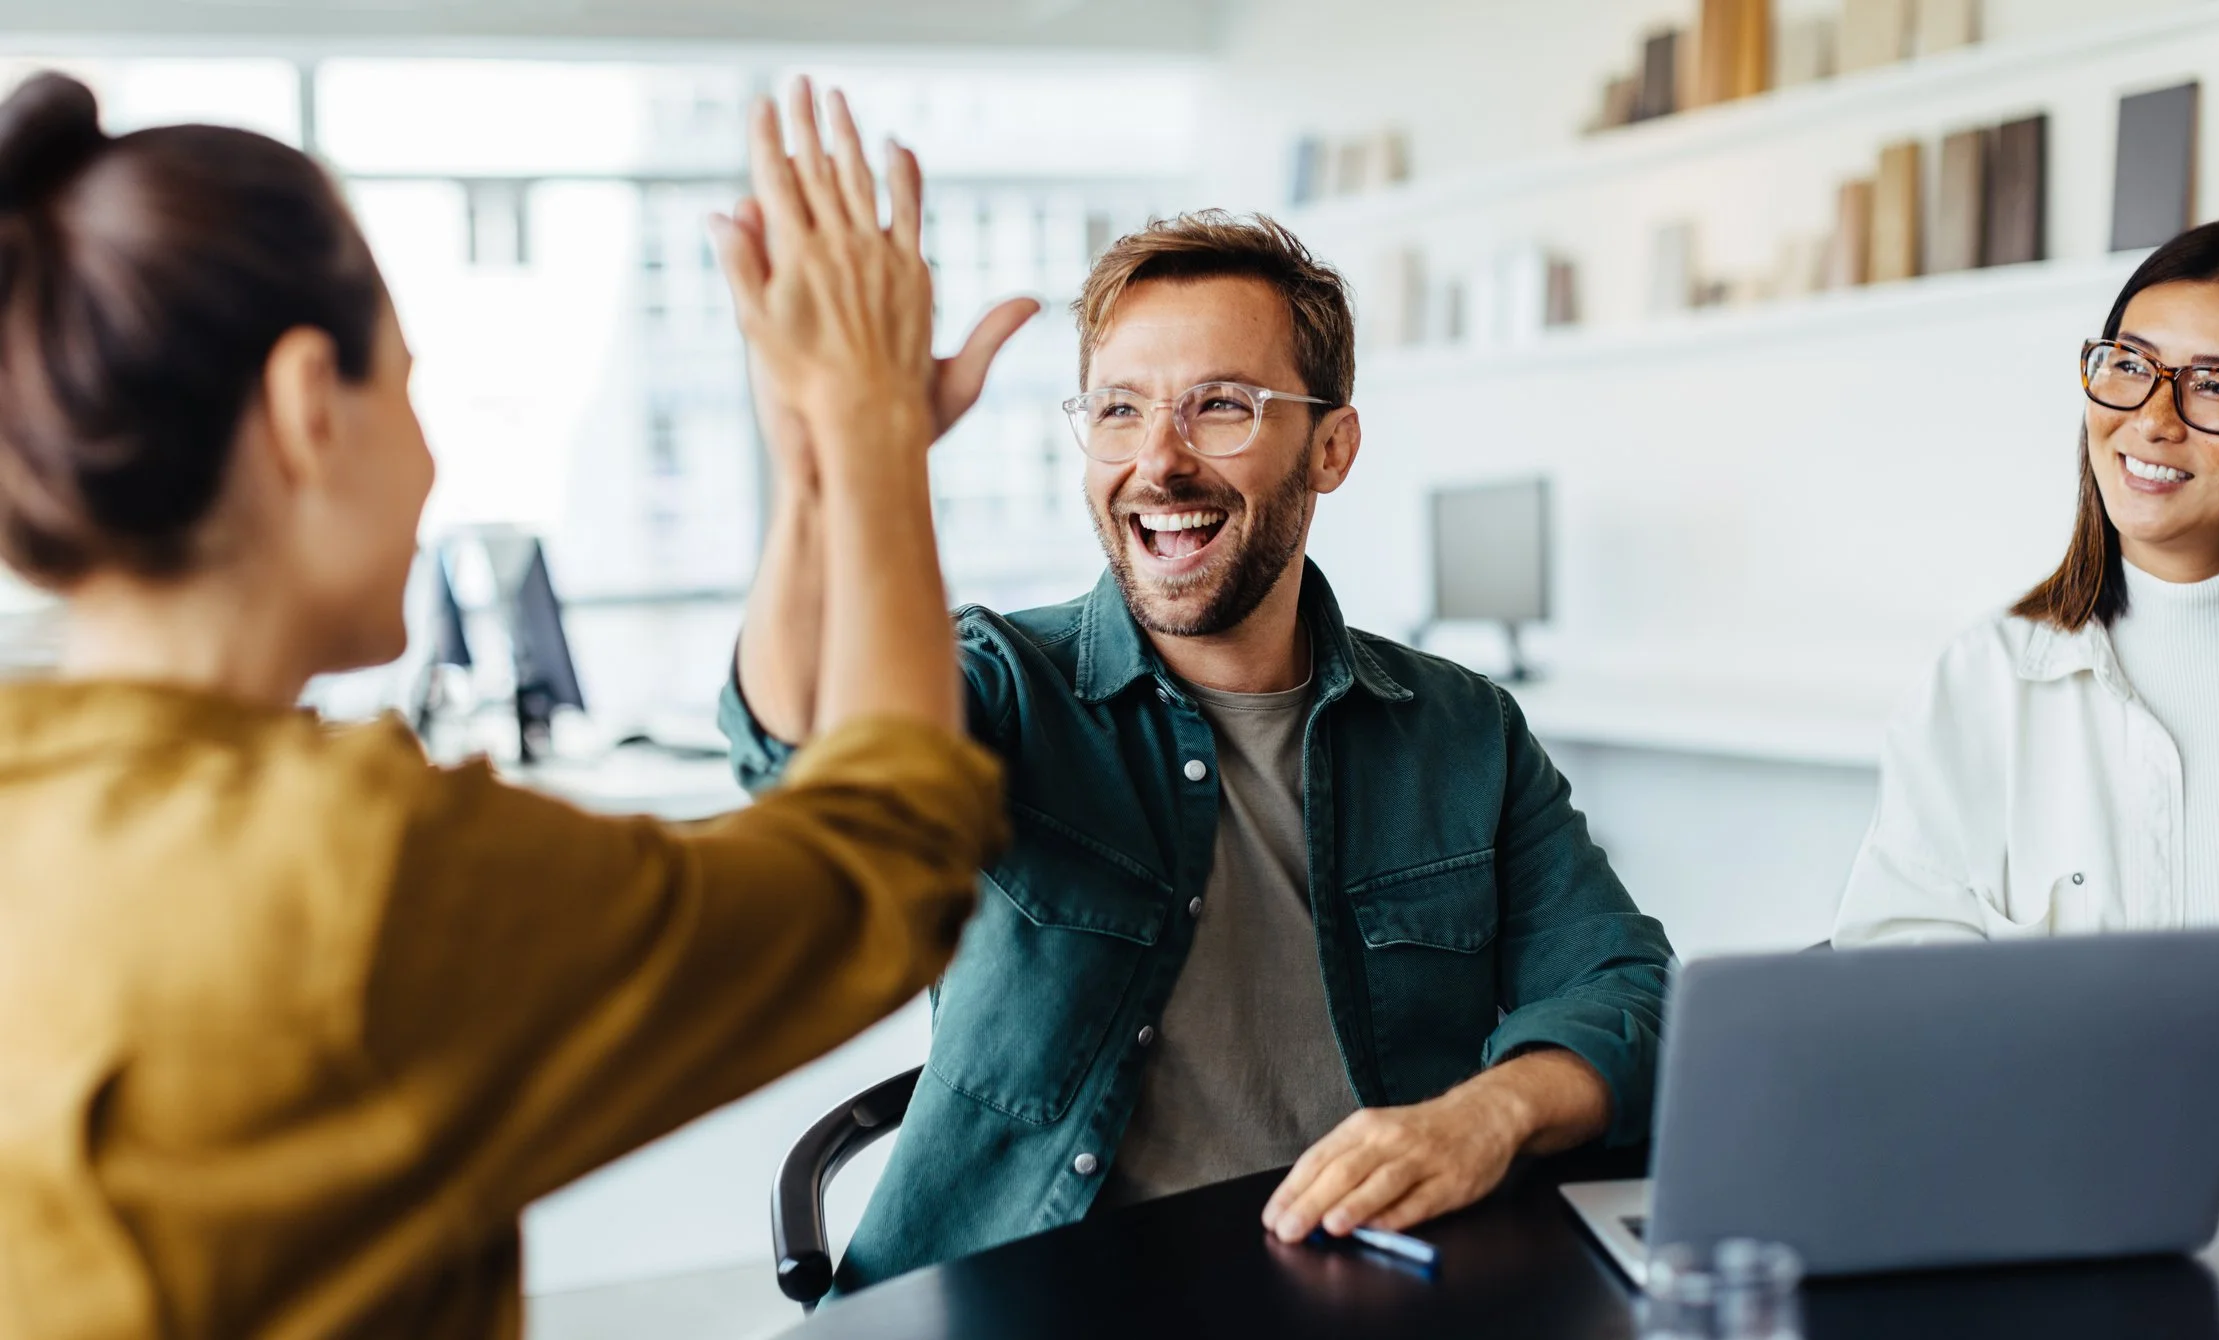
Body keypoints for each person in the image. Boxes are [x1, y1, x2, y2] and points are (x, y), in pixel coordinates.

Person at [0, 74, 1008, 1337]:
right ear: (310, 405)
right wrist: (868, 432)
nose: (429, 463)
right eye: (408, 389)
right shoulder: (347, 871)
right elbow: (886, 862)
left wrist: (819, 470)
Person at [724, 209, 1675, 1291]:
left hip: (1354, 1289)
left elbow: (1626, 987)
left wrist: (1486, 1113)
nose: (1158, 462)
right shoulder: (1000, 685)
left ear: (1331, 448)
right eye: (1119, 410)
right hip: (1023, 1297)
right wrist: (826, 466)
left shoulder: (1460, 728)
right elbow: (796, 744)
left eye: (1220, 405)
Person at [1834, 220, 2219, 945]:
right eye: (2129, 366)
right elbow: (1898, 984)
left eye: (2214, 384)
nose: (2150, 420)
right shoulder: (1980, 680)